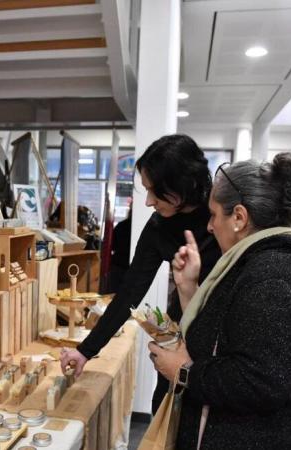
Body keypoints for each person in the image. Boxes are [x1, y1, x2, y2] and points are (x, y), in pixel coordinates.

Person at [149, 153, 291, 449]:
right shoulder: (269, 263)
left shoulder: (274, 275)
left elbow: (263, 381)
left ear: (239, 217)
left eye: (214, 215)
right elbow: (231, 341)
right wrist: (189, 289)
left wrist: (183, 372)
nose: (210, 227)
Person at [60, 134, 221, 412]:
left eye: (154, 191)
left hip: (223, 343)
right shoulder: (160, 225)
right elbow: (130, 292)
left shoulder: (222, 218)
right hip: (181, 333)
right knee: (165, 412)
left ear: (180, 185)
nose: (147, 202)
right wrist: (86, 350)